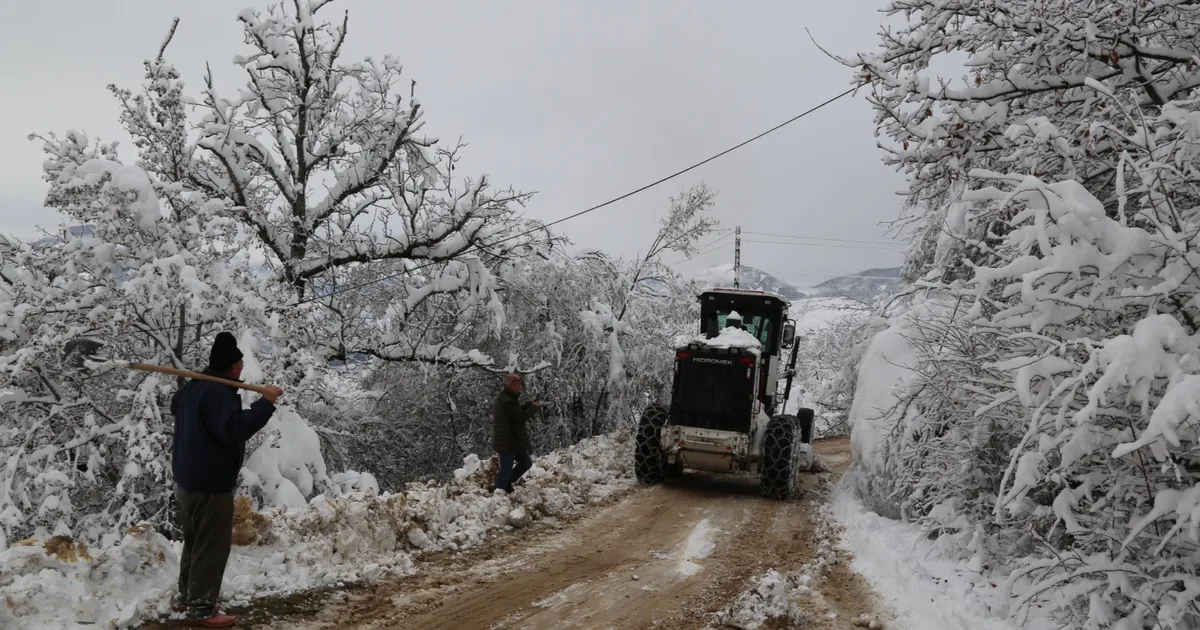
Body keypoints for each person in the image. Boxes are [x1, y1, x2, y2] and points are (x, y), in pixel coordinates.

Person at [169, 332, 283, 628]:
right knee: (211, 546)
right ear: (233, 367)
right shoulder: (218, 393)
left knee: (195, 543)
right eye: (240, 364)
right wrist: (265, 404)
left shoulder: (194, 388)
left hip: (187, 480)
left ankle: (187, 598)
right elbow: (234, 429)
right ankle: (202, 607)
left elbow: (175, 404)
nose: (243, 368)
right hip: (210, 483)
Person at [492, 372, 541, 493]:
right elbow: (519, 417)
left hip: (513, 441)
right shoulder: (506, 401)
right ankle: (499, 491)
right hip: (507, 441)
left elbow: (515, 412)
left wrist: (528, 405)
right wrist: (533, 408)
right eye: (518, 384)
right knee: (506, 469)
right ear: (510, 385)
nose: (520, 387)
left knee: (526, 462)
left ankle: (507, 483)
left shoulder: (509, 398)